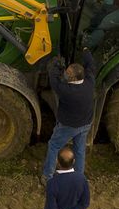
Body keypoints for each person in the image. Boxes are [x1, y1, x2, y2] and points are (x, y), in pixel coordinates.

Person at [41, 53, 96, 182]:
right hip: (85, 123)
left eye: (68, 73)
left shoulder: (65, 90)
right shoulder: (89, 82)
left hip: (68, 126)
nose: (65, 73)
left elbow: (53, 79)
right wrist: (85, 51)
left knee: (54, 145)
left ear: (72, 77)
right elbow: (91, 65)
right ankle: (78, 176)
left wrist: (55, 66)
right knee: (79, 149)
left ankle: (48, 176)